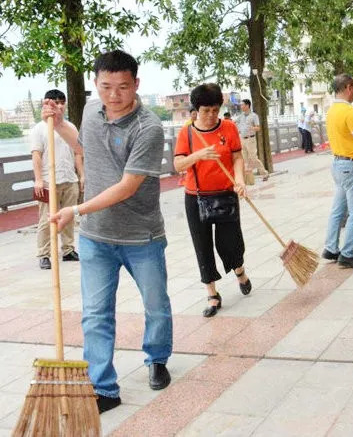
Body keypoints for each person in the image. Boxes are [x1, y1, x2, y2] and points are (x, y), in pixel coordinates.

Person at [44, 50, 173, 414]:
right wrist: (58, 123)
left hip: (141, 236)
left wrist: (76, 210)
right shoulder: (90, 110)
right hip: (96, 237)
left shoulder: (149, 128)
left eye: (123, 87)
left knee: (156, 306)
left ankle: (157, 357)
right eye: (105, 86)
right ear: (96, 83)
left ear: (137, 84)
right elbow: (82, 145)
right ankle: (103, 388)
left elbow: (128, 186)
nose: (114, 95)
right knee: (96, 314)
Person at [173, 83, 251, 318]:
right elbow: (178, 164)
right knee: (202, 246)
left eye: (215, 110)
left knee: (231, 242)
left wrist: (239, 180)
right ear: (196, 110)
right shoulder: (187, 133)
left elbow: (237, 157)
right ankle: (212, 294)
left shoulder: (228, 127)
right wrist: (198, 155)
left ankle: (239, 270)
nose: (211, 115)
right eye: (206, 111)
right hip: (196, 197)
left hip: (226, 193)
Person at [321, 74, 353, 269]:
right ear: (349, 87)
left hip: (338, 164)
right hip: (352, 165)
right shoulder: (350, 112)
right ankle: (348, 253)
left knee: (338, 209)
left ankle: (331, 247)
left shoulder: (331, 111)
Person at [31, 90, 83, 269]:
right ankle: (44, 253)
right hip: (48, 181)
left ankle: (68, 249)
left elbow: (78, 152)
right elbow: (36, 155)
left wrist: (81, 175)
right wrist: (38, 179)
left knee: (69, 217)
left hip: (69, 178)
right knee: (46, 219)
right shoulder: (39, 129)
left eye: (62, 102)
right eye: (55, 102)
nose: (59, 105)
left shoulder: (70, 127)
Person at [235, 98, 270, 184]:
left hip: (250, 139)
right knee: (244, 159)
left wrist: (252, 128)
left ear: (247, 105)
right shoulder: (240, 116)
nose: (241, 106)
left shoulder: (254, 116)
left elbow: (258, 128)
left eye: (242, 105)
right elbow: (234, 123)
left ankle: (264, 173)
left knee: (253, 158)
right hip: (242, 139)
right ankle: (247, 179)